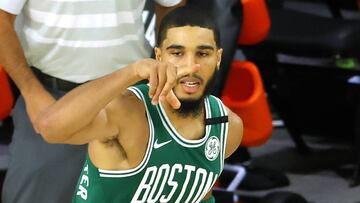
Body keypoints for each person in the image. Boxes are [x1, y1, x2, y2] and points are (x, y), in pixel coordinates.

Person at [35, 6, 243, 203]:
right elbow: (50, 128)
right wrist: (131, 71)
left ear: (218, 58)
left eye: (203, 53)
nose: (190, 67)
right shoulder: (127, 111)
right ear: (159, 56)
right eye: (177, 53)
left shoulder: (227, 126)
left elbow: (198, 195)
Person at [0, 0, 185, 202]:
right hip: (51, 97)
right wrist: (31, 91)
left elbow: (171, 5)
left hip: (129, 98)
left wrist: (166, 66)